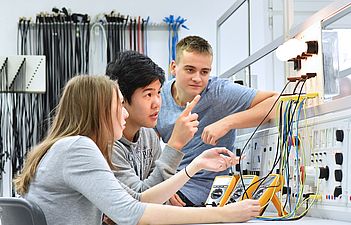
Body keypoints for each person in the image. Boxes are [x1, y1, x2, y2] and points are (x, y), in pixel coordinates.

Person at [13, 75, 260, 225]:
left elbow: (137, 199)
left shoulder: (67, 147)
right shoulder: (78, 147)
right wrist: (223, 215)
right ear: (99, 110)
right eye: (119, 104)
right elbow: (131, 214)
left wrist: (195, 166)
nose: (125, 112)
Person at [156, 35, 280, 206]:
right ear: (173, 67)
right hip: (170, 183)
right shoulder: (158, 98)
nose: (198, 78)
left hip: (201, 191)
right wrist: (166, 184)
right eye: (190, 70)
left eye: (204, 72)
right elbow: (149, 149)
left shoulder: (220, 92)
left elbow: (279, 102)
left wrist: (227, 122)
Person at [106, 51, 197, 206]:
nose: (157, 103)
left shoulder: (149, 136)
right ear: (121, 98)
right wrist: (175, 144)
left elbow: (159, 191)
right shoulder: (107, 144)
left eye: (159, 93)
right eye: (148, 95)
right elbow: (141, 200)